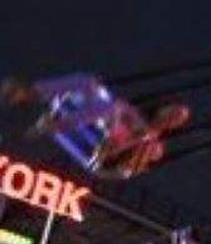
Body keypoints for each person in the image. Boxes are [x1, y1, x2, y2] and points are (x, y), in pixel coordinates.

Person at [4, 75, 191, 179]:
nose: (173, 118)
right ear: (162, 108)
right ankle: (30, 93)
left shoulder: (154, 147)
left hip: (98, 148)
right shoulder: (134, 113)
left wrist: (121, 148)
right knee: (89, 83)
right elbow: (116, 110)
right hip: (93, 122)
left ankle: (55, 124)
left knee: (113, 112)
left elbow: (126, 169)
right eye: (173, 111)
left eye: (179, 119)